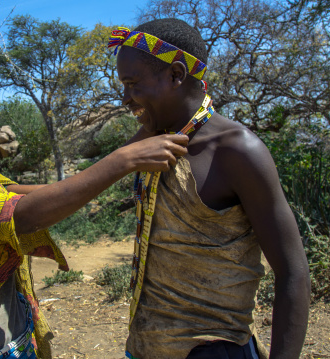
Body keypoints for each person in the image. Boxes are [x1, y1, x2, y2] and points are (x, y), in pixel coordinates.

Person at [0, 71, 188, 359]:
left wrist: (151, 124)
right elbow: (20, 216)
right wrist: (123, 161)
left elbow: (51, 192)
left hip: (15, 342)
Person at [107, 18, 311, 359]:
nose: (125, 98)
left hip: (213, 350)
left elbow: (293, 271)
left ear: (175, 75)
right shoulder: (154, 137)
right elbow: (85, 182)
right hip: (146, 346)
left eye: (133, 84)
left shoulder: (237, 150)